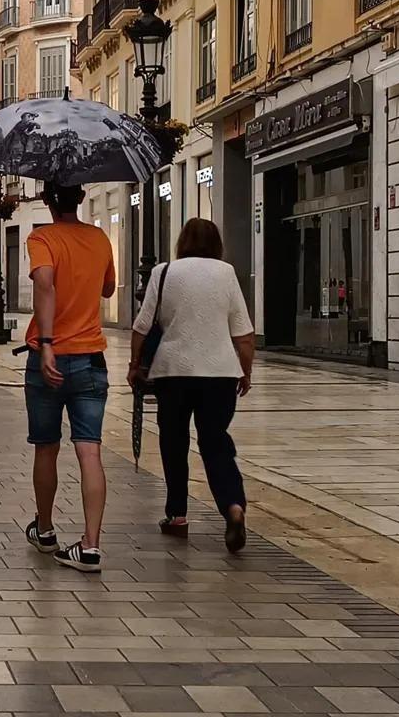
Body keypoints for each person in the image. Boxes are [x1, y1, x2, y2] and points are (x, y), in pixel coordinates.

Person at [128, 218, 254, 553]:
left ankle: (177, 515)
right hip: (220, 374)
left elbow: (141, 326)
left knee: (174, 442)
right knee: (216, 444)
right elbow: (244, 333)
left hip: (174, 371)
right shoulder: (226, 273)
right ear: (217, 244)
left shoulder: (164, 272)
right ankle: (233, 506)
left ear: (182, 242)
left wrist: (133, 365)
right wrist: (245, 370)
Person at [23, 182, 115, 573]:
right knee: (89, 450)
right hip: (91, 358)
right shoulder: (99, 238)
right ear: (79, 199)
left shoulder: (41, 237)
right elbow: (109, 288)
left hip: (50, 359)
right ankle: (91, 546)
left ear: (46, 200)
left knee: (46, 447)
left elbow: (44, 282)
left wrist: (46, 343)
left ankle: (45, 530)